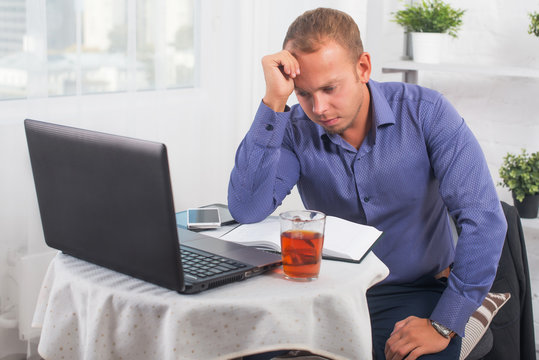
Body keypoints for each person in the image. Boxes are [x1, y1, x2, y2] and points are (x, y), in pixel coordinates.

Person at [228, 7, 507, 360]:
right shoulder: (295, 128)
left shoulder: (427, 112)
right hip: (327, 290)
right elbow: (247, 207)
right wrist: (274, 101)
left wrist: (443, 323)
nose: (319, 107)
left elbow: (484, 219)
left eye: (330, 88)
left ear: (363, 67)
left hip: (414, 291)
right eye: (304, 93)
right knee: (244, 349)